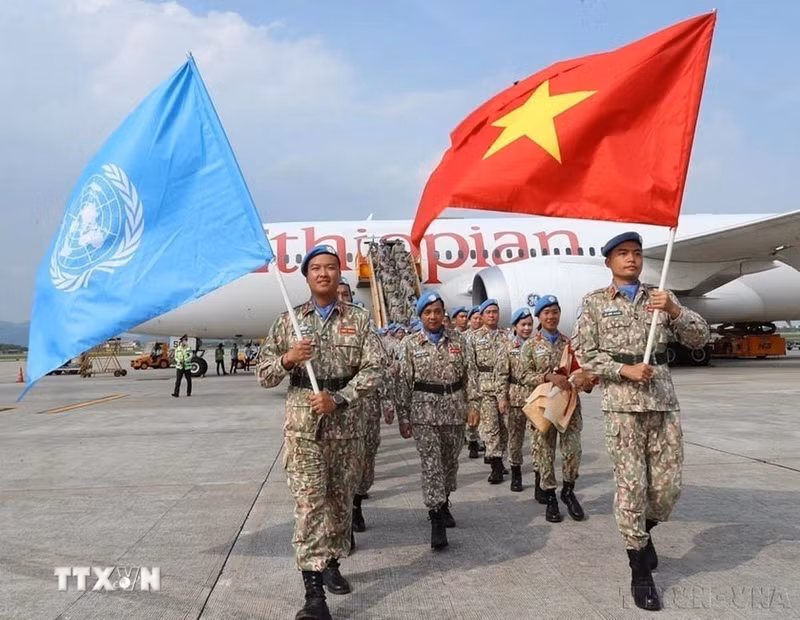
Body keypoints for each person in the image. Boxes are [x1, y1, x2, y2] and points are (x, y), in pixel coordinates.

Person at [572, 232, 710, 612]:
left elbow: (701, 339)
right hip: (622, 406)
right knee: (631, 487)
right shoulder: (596, 303)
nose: (631, 260)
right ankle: (639, 568)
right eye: (622, 254)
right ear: (609, 262)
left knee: (666, 489)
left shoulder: (661, 297)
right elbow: (584, 352)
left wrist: (676, 312)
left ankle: (644, 532)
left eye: (635, 254)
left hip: (663, 403)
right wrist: (622, 369)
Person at [255, 244, 381, 620]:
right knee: (310, 505)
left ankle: (331, 562)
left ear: (339, 275)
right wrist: (288, 359)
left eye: (330, 268)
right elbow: (263, 373)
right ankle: (313, 593)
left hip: (345, 426)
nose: (323, 274)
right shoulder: (288, 321)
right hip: (304, 429)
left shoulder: (359, 320)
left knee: (340, 505)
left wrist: (340, 398)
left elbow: (375, 370)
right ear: (307, 276)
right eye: (316, 268)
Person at [397, 291, 479, 549]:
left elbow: (471, 374)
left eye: (437, 311)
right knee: (431, 465)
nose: (433, 316)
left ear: (444, 313)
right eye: (427, 312)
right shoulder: (410, 344)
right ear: (420, 315)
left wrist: (474, 404)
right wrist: (403, 416)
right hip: (424, 413)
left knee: (449, 464)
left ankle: (443, 500)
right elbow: (402, 382)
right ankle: (435, 518)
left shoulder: (459, 341)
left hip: (454, 410)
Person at [522, 296, 591, 523]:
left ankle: (568, 491)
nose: (551, 316)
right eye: (546, 313)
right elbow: (522, 376)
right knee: (545, 452)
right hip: (543, 406)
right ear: (539, 317)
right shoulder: (531, 345)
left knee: (573, 450)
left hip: (568, 405)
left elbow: (581, 369)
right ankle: (550, 495)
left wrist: (584, 381)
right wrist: (547, 376)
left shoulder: (569, 343)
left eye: (555, 311)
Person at [469, 299, 510, 483]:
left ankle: (500, 457)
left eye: (495, 311)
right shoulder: (474, 338)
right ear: (483, 315)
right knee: (491, 427)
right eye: (488, 312)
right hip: (484, 387)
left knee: (504, 428)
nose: (492, 315)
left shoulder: (506, 336)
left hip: (504, 387)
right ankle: (495, 465)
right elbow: (470, 367)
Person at [506, 307, 534, 493]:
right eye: (523, 324)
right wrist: (502, 398)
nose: (526, 328)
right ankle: (516, 473)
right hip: (515, 396)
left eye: (530, 324)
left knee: (538, 439)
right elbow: (501, 374)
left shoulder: (537, 345)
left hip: (534, 397)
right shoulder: (508, 347)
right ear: (515, 326)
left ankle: (540, 476)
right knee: (515, 438)